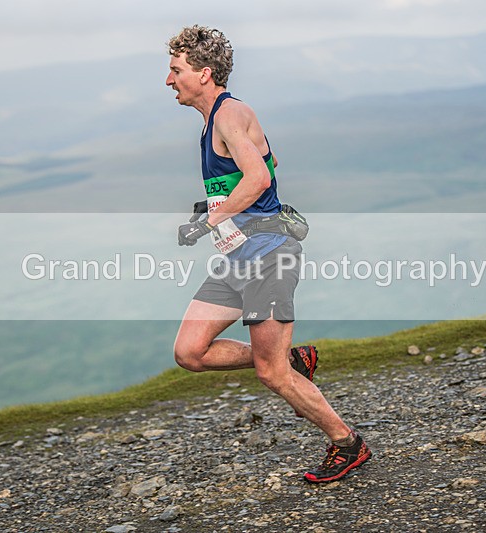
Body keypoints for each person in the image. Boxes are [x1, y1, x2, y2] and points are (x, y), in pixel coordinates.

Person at [167, 25, 371, 483]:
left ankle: (347, 443)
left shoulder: (230, 114)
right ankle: (295, 359)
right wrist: (218, 208)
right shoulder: (212, 122)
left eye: (175, 70)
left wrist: (209, 221)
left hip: (269, 255)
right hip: (240, 257)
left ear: (203, 73)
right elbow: (255, 181)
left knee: (271, 374)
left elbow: (258, 179)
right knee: (190, 352)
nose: (168, 80)